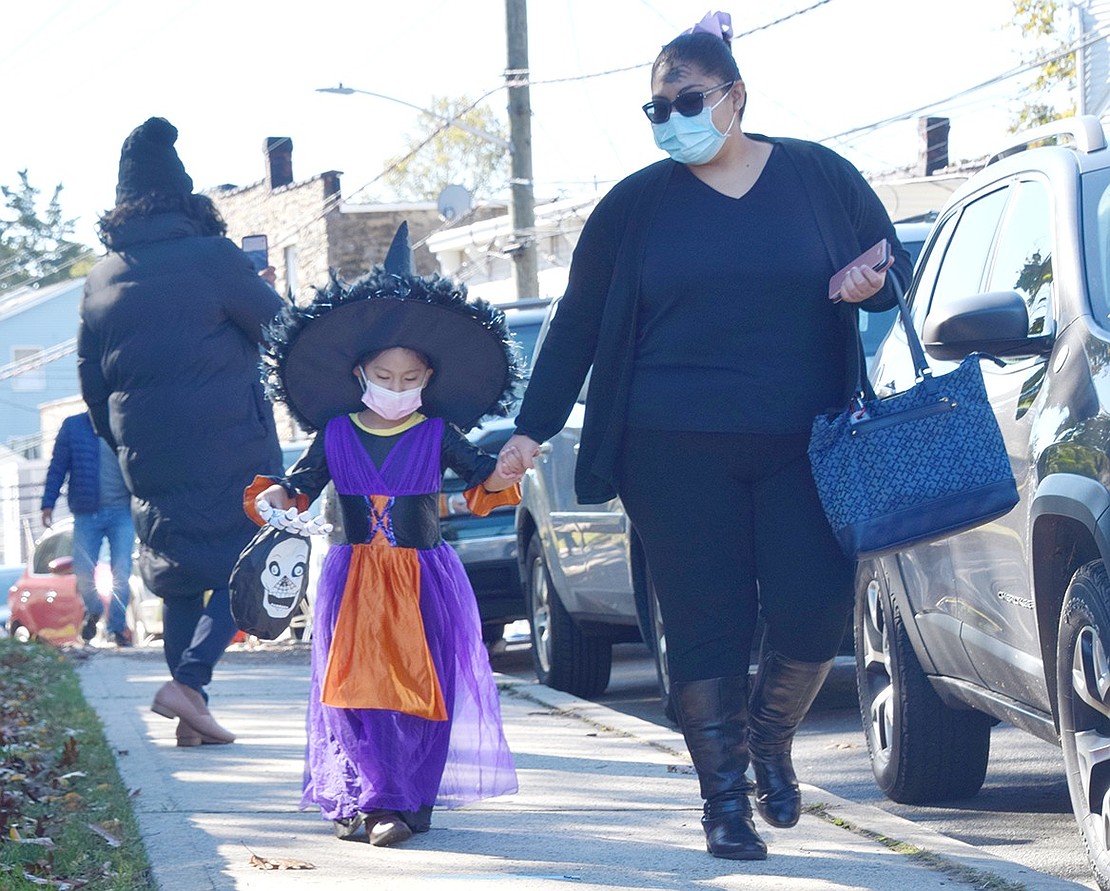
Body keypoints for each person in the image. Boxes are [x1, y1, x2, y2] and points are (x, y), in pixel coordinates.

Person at [499, 11, 913, 861]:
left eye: (686, 100)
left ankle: (768, 739)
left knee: (812, 610)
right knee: (704, 625)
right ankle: (723, 802)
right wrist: (530, 429)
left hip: (809, 441)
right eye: (656, 109)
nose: (671, 119)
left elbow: (887, 267)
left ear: (735, 96)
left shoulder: (817, 177)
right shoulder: (633, 208)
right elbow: (575, 324)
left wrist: (868, 283)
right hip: (670, 449)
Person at [247, 224, 519, 847]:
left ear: (427, 378)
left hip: (422, 577)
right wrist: (275, 496)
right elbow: (300, 483)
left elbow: (483, 484)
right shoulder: (336, 433)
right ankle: (371, 795)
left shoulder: (438, 431)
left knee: (422, 688)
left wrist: (503, 470)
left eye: (411, 378)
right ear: (359, 372)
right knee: (353, 687)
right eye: (385, 376)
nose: (398, 389)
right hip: (352, 580)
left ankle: (405, 797)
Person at [77, 117, 286, 748]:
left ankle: (192, 719)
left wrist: (120, 441)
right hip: (231, 442)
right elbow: (283, 333)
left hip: (146, 446)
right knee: (247, 561)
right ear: (186, 196)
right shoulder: (215, 258)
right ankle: (189, 684)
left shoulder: (101, 277)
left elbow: (91, 380)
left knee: (176, 573)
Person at [40, 410, 135, 647]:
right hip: (86, 511)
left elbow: (142, 463)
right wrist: (47, 503)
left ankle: (116, 628)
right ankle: (93, 611)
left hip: (122, 511)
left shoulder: (124, 421)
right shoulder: (73, 426)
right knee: (83, 570)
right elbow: (58, 466)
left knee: (122, 570)